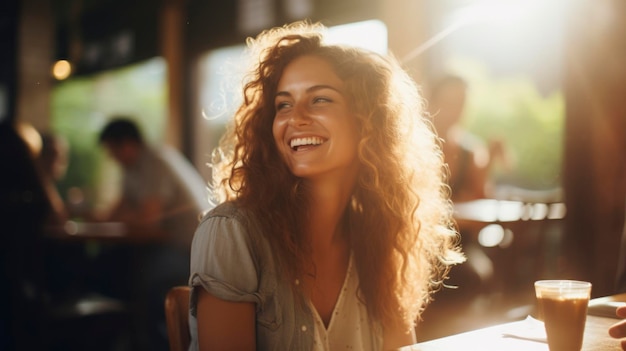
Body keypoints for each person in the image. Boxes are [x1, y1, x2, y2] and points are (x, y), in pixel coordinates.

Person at [188, 21, 465, 350]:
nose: (296, 118)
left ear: (368, 122)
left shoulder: (379, 239)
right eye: (284, 104)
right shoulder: (231, 233)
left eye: (320, 100)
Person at [97, 117, 210, 351]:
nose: (111, 157)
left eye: (112, 150)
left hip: (190, 248)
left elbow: (147, 221)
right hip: (163, 244)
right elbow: (119, 212)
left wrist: (125, 217)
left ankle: (156, 344)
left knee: (144, 280)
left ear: (127, 144)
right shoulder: (133, 168)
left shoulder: (154, 162)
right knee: (109, 265)